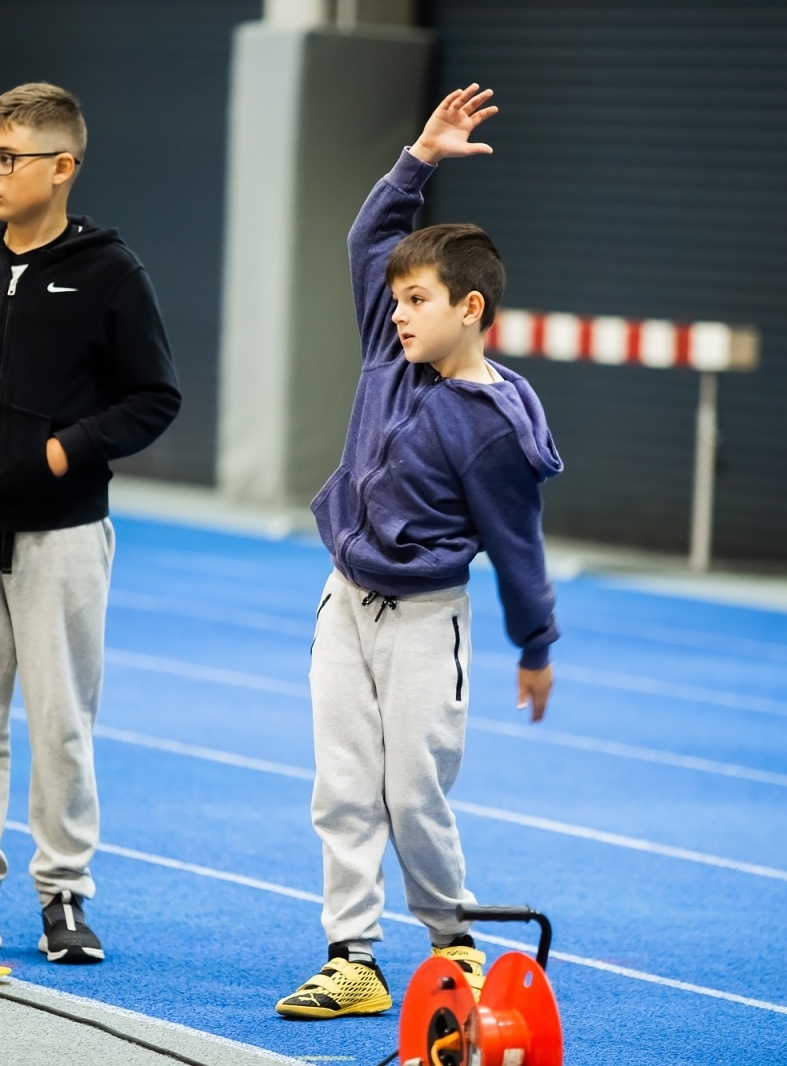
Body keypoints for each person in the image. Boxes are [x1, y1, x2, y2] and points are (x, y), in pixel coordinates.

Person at [276, 84, 562, 1019]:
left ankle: (454, 940)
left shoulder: (492, 429)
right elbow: (369, 241)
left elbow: (518, 546)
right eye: (395, 300)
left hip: (425, 622)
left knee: (413, 791)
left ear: (469, 307)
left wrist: (537, 643)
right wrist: (420, 160)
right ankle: (352, 957)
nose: (397, 313)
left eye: (418, 301)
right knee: (343, 784)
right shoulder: (386, 353)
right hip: (344, 602)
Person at [0, 82, 180, 964]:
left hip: (60, 534)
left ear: (61, 168)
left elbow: (154, 396)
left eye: (8, 159)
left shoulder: (109, 271)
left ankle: (63, 895)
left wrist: (67, 451)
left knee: (61, 720)